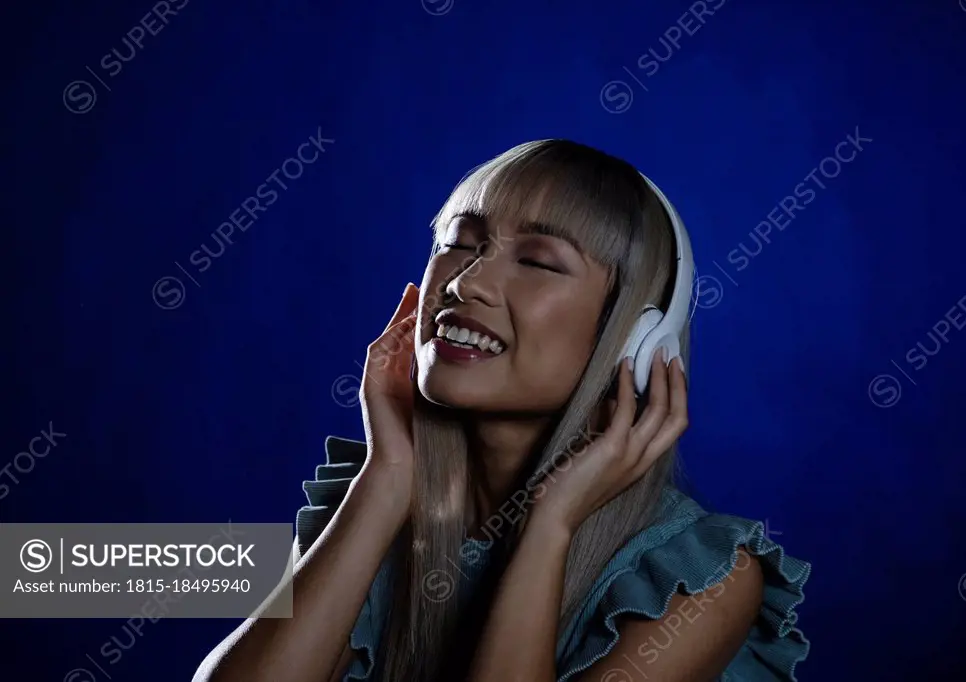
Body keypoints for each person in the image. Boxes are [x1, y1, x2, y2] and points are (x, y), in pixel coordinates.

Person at [193, 139, 811, 682]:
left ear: (635, 343)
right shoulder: (373, 503)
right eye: (459, 244)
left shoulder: (703, 582)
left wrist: (548, 528)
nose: (466, 284)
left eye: (538, 262)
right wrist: (386, 477)